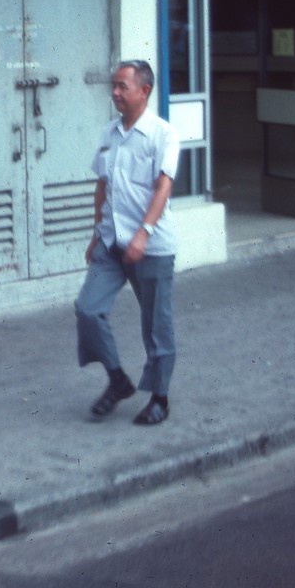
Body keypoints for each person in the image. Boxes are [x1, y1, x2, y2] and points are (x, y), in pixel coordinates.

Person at [75, 60, 180, 426]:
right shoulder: (109, 133)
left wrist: (143, 233)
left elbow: (163, 186)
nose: (115, 92)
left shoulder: (162, 134)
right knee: (88, 309)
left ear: (144, 91)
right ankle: (118, 379)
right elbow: (102, 186)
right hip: (111, 242)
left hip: (151, 245)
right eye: (114, 86)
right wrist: (95, 233)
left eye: (122, 86)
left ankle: (160, 397)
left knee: (156, 324)